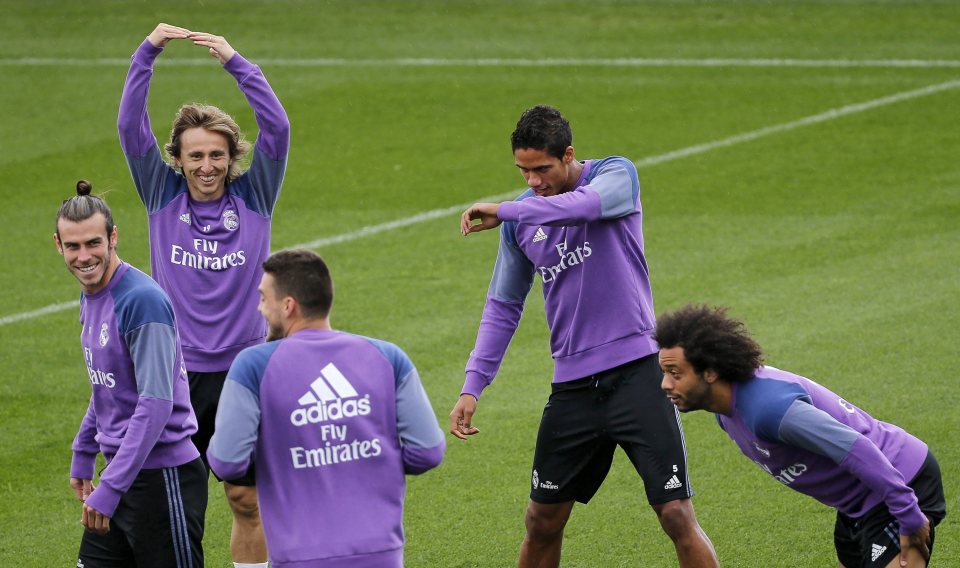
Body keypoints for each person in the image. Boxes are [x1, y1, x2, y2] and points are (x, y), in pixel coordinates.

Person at [450, 105, 718, 567]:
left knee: (675, 513)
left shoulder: (615, 175)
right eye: (523, 171)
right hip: (575, 389)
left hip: (638, 377)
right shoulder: (521, 223)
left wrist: (508, 209)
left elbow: (585, 206)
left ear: (569, 155)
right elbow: (503, 308)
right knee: (541, 521)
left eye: (542, 169)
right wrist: (473, 385)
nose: (533, 181)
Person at [118, 23, 290, 565]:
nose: (206, 167)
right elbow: (130, 127)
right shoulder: (160, 194)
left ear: (231, 155)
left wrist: (237, 62)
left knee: (245, 496)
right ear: (178, 159)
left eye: (216, 155)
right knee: (177, 502)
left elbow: (278, 127)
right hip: (174, 376)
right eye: (195, 156)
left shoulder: (255, 195)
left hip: (242, 372)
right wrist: (146, 54)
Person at [655, 304, 946, 568]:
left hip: (901, 481)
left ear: (710, 372)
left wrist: (909, 515)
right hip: (857, 504)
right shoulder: (726, 413)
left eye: (675, 373)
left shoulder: (769, 410)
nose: (665, 384)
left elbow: (857, 447)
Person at [207, 249, 446, 567]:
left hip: (298, 556)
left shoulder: (253, 365)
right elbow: (427, 451)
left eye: (264, 298)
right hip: (381, 555)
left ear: (288, 306)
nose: (260, 308)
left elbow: (227, 461)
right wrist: (368, 459)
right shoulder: (389, 357)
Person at [54, 180, 207, 567]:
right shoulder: (93, 294)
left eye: (93, 243)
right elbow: (108, 385)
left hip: (161, 477)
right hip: (123, 472)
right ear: (58, 244)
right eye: (73, 246)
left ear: (113, 237)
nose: (84, 256)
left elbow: (156, 402)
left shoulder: (141, 301)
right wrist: (84, 449)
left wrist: (112, 485)